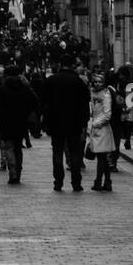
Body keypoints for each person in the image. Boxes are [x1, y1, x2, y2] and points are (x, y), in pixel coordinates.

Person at [40, 54, 90, 193]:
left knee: (57, 152)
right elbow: (85, 103)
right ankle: (76, 182)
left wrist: (46, 121)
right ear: (73, 65)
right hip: (74, 123)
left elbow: (43, 103)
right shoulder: (78, 82)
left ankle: (58, 182)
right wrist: (84, 121)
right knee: (74, 153)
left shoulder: (51, 81)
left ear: (60, 64)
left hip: (55, 123)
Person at [0, 67, 39, 185]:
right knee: (18, 147)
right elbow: (34, 101)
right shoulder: (24, 87)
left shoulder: (2, 88)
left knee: (9, 147)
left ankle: (12, 172)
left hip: (6, 121)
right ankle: (18, 172)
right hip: (21, 121)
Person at [88, 72, 116, 192]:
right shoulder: (92, 92)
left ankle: (99, 182)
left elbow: (107, 114)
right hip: (96, 129)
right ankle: (107, 182)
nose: (98, 83)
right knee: (102, 158)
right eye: (96, 81)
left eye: (100, 81)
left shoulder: (106, 93)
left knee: (101, 158)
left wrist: (95, 124)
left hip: (102, 129)